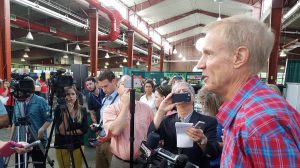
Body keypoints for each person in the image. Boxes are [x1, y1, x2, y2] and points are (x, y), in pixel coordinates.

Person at [196, 15, 300, 167]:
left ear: (239, 57)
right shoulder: (249, 113)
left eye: (209, 53)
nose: (200, 64)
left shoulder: (258, 123)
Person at [148, 81, 220, 167]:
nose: (181, 93)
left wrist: (202, 141)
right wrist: (161, 111)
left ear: (193, 97)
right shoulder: (166, 121)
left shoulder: (209, 121)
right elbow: (150, 139)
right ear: (173, 98)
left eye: (185, 92)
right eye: (178, 92)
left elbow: (213, 154)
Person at [103, 75, 154, 168]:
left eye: (132, 84)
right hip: (120, 162)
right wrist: (126, 105)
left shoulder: (146, 109)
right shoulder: (110, 109)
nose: (129, 87)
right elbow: (115, 131)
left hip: (142, 162)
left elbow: (153, 130)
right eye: (125, 84)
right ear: (118, 89)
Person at [11, 77, 52, 168]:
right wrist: (11, 141)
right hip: (20, 142)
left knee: (39, 165)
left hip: (37, 141)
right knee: (20, 166)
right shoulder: (18, 102)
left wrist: (42, 129)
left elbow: (49, 119)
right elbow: (15, 122)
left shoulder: (40, 101)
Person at [54, 86, 88, 168]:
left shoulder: (82, 109)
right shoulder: (58, 109)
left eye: (73, 94)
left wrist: (67, 133)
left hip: (78, 143)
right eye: (68, 94)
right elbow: (61, 130)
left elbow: (84, 129)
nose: (71, 96)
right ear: (64, 97)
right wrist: (67, 113)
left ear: (76, 96)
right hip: (62, 144)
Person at [95, 70, 119, 168]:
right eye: (101, 87)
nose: (103, 90)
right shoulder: (105, 98)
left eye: (105, 86)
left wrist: (108, 136)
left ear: (114, 81)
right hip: (101, 139)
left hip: (113, 142)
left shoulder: (121, 100)